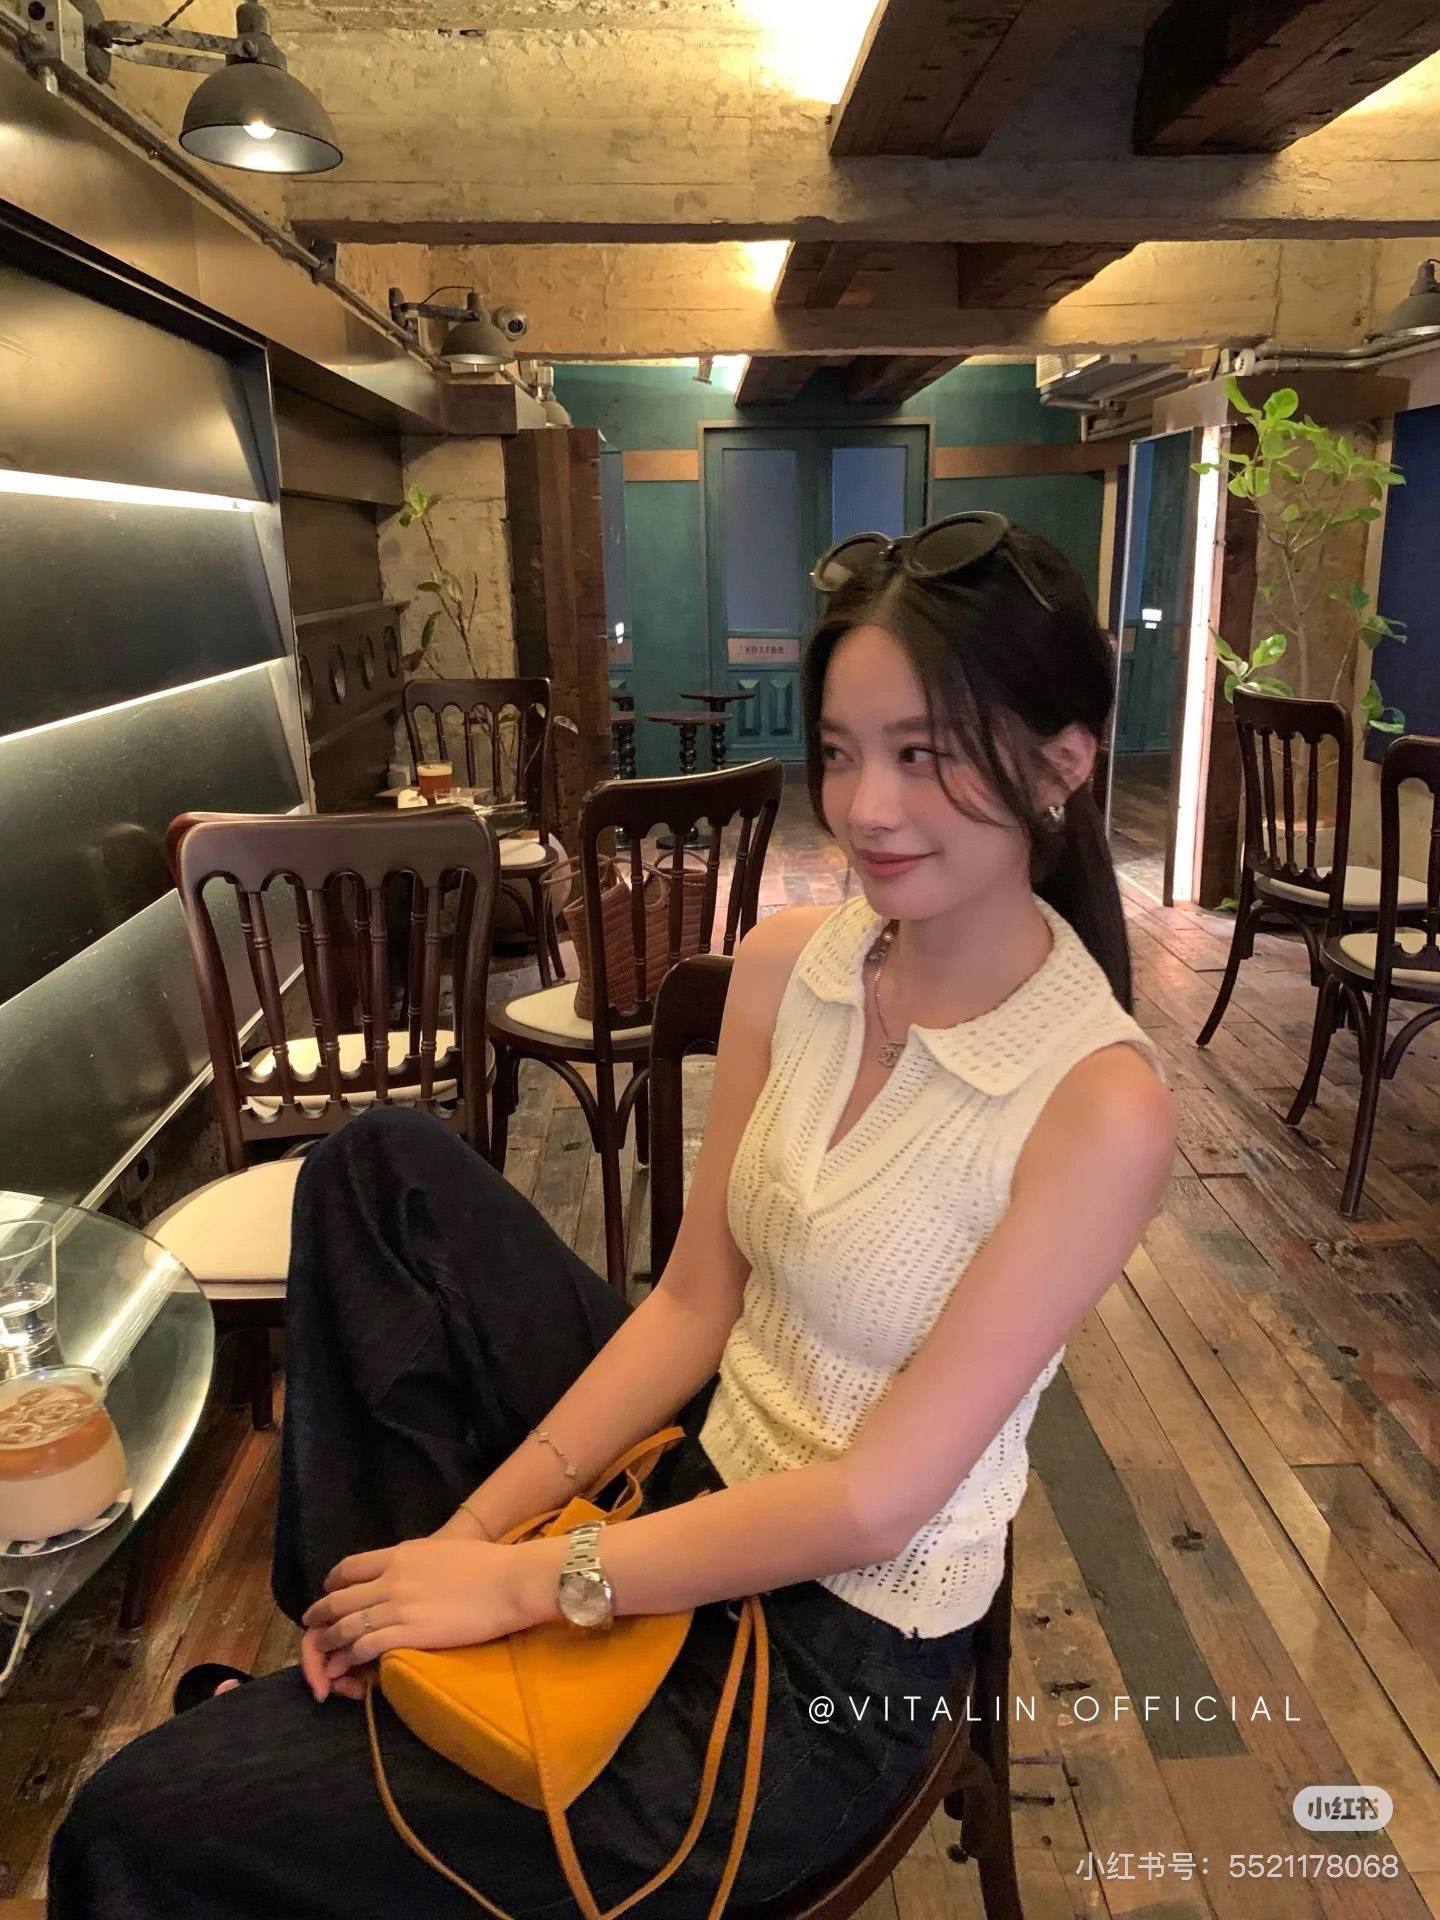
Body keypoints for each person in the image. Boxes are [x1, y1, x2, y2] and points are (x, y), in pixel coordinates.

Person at [49, 512, 1175, 1920]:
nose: (869, 807)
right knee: (380, 1171)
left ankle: (364, 1717)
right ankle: (380, 1652)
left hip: (830, 1656)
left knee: (130, 1826)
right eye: (842, 751)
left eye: (925, 753)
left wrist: (538, 1584)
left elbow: (871, 1503)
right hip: (701, 1461)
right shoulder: (795, 967)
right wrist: (473, 1545)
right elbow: (697, 1302)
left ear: (1065, 761)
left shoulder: (1096, 1103)